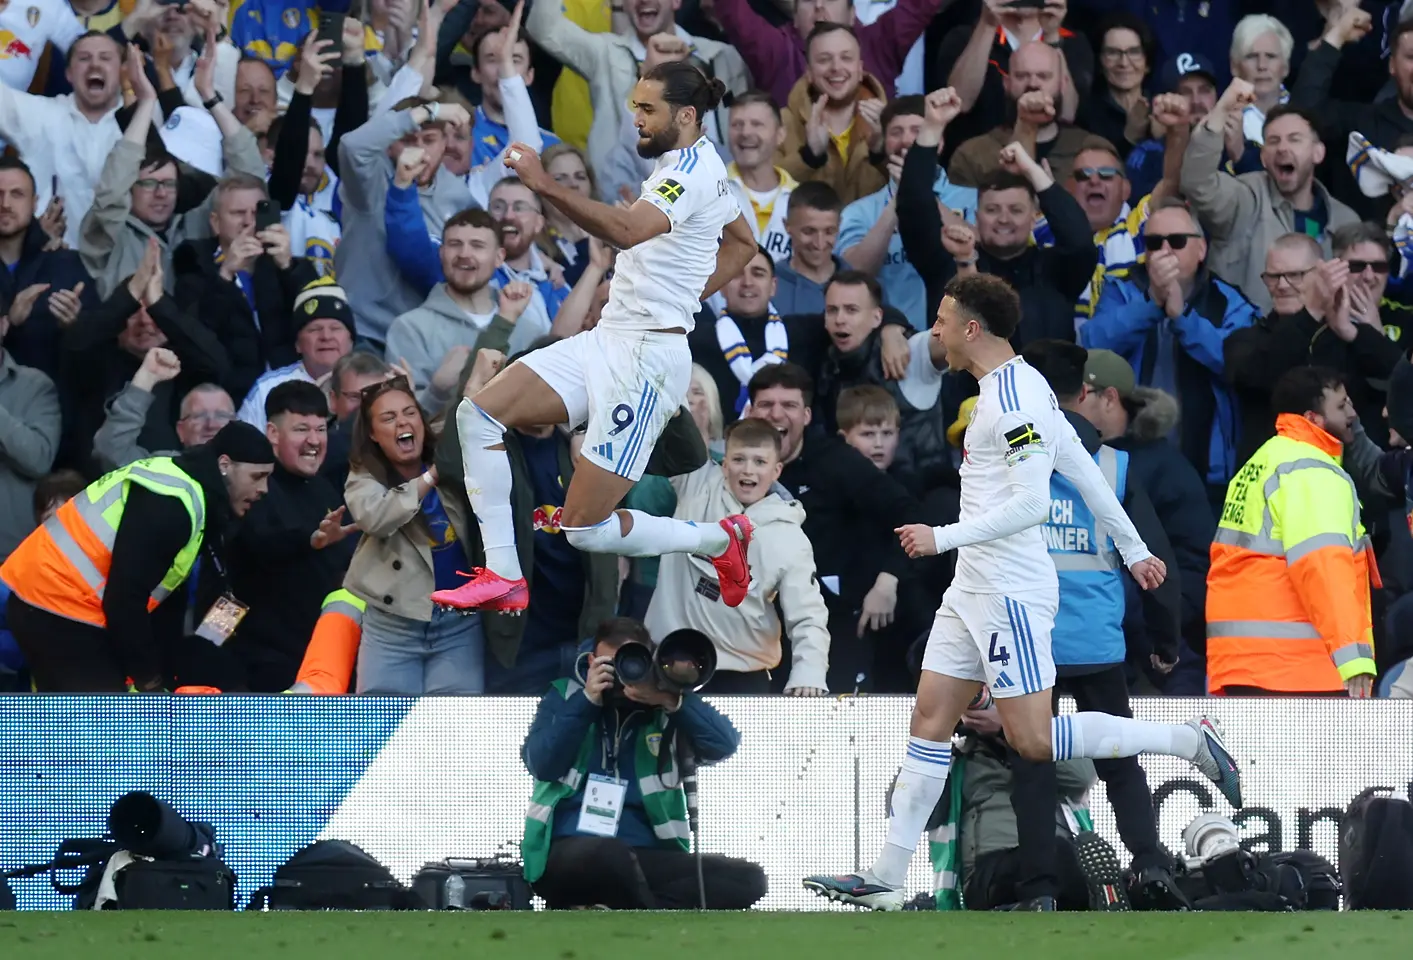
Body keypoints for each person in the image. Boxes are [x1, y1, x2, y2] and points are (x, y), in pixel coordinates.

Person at [802, 274, 1240, 912]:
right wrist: (1136, 549)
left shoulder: (1014, 402)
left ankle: (1186, 739)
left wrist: (942, 535)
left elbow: (1036, 503)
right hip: (972, 586)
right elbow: (1087, 474)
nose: (936, 334)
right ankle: (888, 876)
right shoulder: (1011, 389)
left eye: (944, 321)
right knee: (929, 720)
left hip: (1010, 590)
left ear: (972, 329)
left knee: (1033, 741)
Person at [433, 61, 757, 614]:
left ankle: (720, 539)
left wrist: (541, 183)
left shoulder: (690, 174)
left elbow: (629, 231)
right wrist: (684, 291)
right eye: (635, 107)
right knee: (476, 413)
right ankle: (504, 575)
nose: (637, 119)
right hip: (607, 338)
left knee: (584, 530)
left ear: (686, 115)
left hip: (646, 362)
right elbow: (742, 242)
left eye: (647, 109)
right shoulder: (695, 163)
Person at [0, 421, 273, 692]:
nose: (264, 489)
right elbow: (125, 597)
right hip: (55, 605)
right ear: (224, 465)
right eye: (257, 477)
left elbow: (159, 596)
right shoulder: (173, 502)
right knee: (108, 726)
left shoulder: (191, 490)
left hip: (57, 603)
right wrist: (149, 681)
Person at [521, 616, 766, 910]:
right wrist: (587, 700)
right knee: (610, 856)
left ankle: (606, 908)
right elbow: (542, 764)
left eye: (631, 662)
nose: (622, 674)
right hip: (570, 851)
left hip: (645, 853)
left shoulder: (663, 710)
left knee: (748, 878)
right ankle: (648, 915)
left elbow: (723, 744)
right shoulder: (566, 694)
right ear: (591, 662)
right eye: (611, 664)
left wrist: (671, 699)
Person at [1207, 366, 1378, 698]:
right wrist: (1353, 658)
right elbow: (1323, 567)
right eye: (1341, 406)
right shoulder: (1312, 471)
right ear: (1313, 417)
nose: (1353, 413)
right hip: (1298, 671)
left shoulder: (1265, 460)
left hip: (1247, 664)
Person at [645, 417, 831, 695]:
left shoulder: (791, 538)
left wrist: (809, 672)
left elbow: (807, 615)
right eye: (739, 459)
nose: (748, 470)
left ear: (777, 470)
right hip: (670, 665)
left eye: (759, 462)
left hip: (745, 676)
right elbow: (671, 421)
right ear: (724, 464)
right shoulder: (696, 485)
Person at [344, 375, 486, 695]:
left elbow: (472, 408)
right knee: (383, 732)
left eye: (409, 412)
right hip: (393, 629)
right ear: (372, 434)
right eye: (388, 417)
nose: (402, 422)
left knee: (455, 735)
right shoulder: (363, 475)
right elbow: (375, 518)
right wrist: (431, 476)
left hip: (459, 625)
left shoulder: (446, 453)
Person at [1180, 84, 1358, 313]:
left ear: (1318, 152)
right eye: (1273, 141)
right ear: (1263, 157)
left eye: (1294, 139)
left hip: (1321, 344)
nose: (1282, 148)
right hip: (1243, 342)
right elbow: (1196, 182)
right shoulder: (1245, 196)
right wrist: (1221, 111)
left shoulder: (1346, 221)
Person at [224, 381, 350, 692]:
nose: (314, 441)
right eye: (301, 429)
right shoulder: (254, 484)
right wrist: (310, 539)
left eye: (320, 430)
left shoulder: (324, 487)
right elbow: (256, 544)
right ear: (273, 433)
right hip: (264, 659)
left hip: (321, 655)